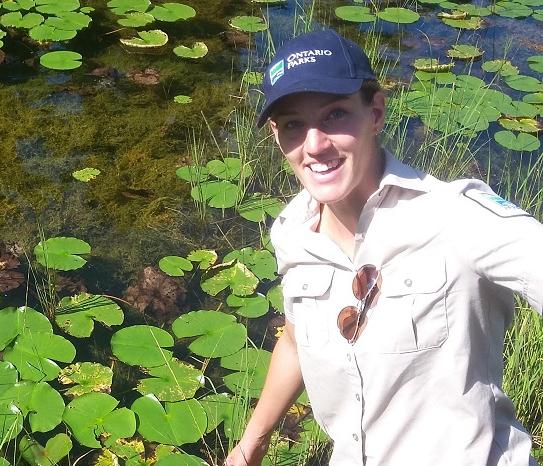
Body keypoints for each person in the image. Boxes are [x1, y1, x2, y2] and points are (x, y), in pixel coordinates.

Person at [225, 28, 543, 465]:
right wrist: (250, 446)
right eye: (295, 125)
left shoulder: (455, 216)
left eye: (335, 114)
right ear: (278, 136)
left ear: (375, 112)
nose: (315, 145)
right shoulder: (291, 233)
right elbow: (297, 343)